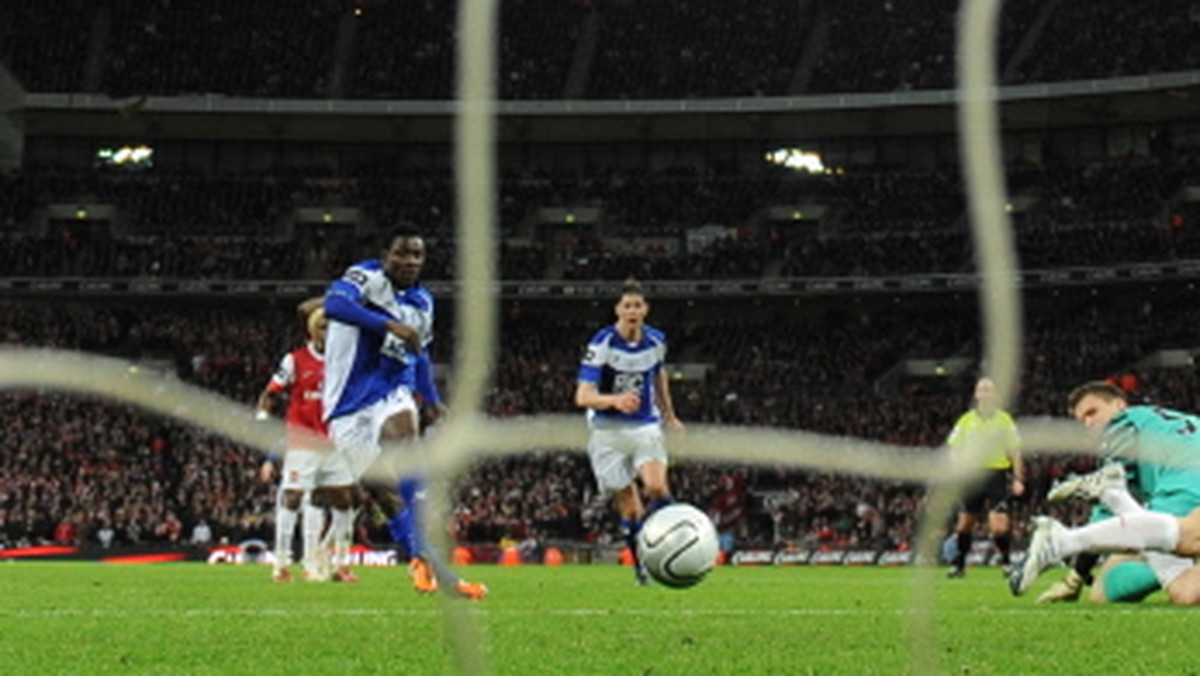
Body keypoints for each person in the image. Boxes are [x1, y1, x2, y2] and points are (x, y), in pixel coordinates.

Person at [323, 226, 486, 600]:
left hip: (391, 388)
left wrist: (430, 399)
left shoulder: (423, 302)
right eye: (402, 253)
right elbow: (334, 305)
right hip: (346, 402)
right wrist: (387, 324)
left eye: (417, 255)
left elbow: (420, 353)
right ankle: (422, 562)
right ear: (386, 255)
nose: (410, 261)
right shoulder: (365, 277)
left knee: (405, 441)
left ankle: (430, 556)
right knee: (383, 492)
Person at [1011, 381, 1200, 605]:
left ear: (1120, 405)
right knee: (1101, 590)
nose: (1089, 423)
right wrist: (1077, 575)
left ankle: (1068, 538)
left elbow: (1104, 513)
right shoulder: (1164, 422)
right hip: (1181, 486)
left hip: (1185, 483)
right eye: (1083, 421)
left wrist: (1077, 574)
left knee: (1186, 589)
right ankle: (1113, 502)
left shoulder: (1122, 423)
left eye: (1093, 412)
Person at [574, 279, 684, 585]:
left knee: (657, 487)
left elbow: (659, 375)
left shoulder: (656, 341)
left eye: (637, 305)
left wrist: (670, 416)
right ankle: (641, 567)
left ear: (645, 309)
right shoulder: (602, 344)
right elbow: (582, 397)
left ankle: (683, 538)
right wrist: (614, 400)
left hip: (645, 425)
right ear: (617, 310)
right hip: (606, 432)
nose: (632, 310)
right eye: (627, 306)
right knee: (632, 509)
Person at [257, 306, 356, 582]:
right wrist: (263, 417)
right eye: (324, 328)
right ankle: (281, 565)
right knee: (293, 496)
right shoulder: (295, 360)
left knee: (343, 500)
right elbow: (270, 391)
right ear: (313, 331)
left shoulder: (345, 362)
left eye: (334, 328)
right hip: (302, 441)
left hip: (334, 442)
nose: (330, 333)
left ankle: (337, 565)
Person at [944, 377, 1025, 578]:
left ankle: (1006, 563)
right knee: (964, 524)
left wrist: (1018, 479)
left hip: (996, 475)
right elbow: (954, 449)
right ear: (976, 394)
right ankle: (959, 565)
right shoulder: (966, 421)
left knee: (999, 526)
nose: (986, 393)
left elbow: (1015, 452)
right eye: (982, 389)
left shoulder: (1004, 420)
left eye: (990, 389)